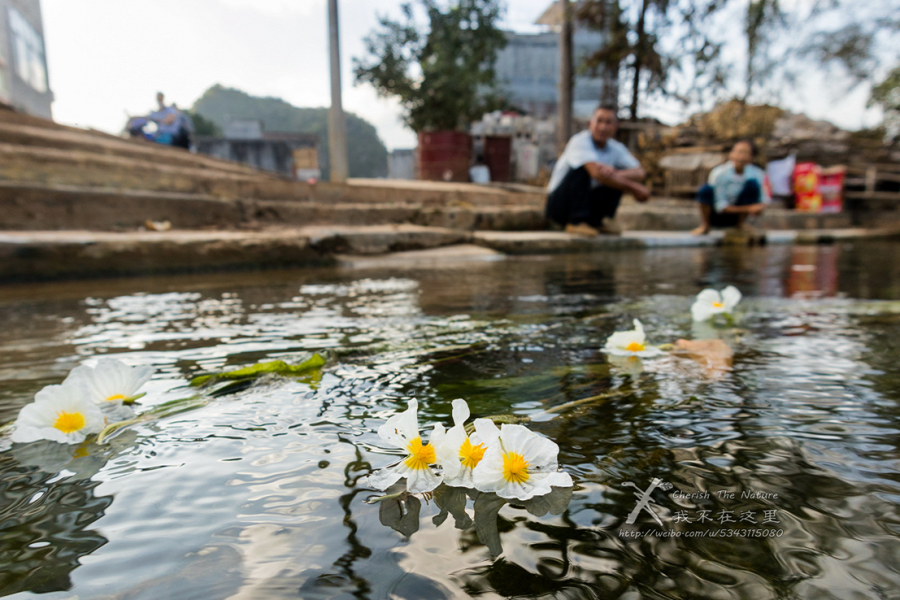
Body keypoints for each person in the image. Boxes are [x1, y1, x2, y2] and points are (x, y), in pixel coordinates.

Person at [545, 105, 649, 236]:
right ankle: (576, 222)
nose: (603, 127)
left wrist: (615, 173)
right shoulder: (580, 141)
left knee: (614, 175)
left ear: (616, 126)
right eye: (599, 121)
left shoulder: (616, 148)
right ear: (591, 123)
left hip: (588, 204)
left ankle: (599, 221)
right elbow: (595, 173)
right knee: (584, 169)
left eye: (608, 122)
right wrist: (634, 188)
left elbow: (640, 172)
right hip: (560, 206)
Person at [692, 139, 770, 235]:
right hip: (717, 215)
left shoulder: (758, 174)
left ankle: (740, 224)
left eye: (745, 153)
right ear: (731, 154)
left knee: (752, 185)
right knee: (705, 189)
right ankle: (705, 225)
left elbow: (764, 199)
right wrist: (750, 208)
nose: (740, 156)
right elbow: (720, 206)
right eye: (737, 152)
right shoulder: (720, 173)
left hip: (737, 215)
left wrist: (759, 208)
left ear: (751, 157)